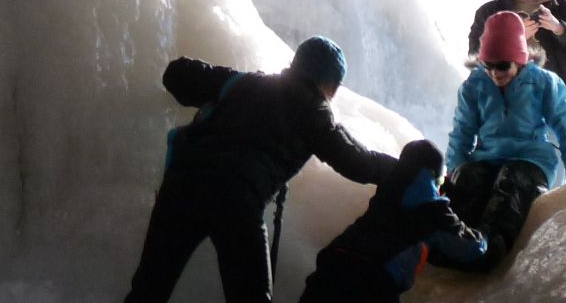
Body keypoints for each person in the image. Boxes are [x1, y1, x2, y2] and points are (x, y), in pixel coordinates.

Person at [124, 36, 398, 303]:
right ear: (331, 85)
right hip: (236, 201)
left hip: (182, 186)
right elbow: (357, 163)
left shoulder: (244, 82)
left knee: (149, 289)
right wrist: (402, 169)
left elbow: (177, 74)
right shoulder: (316, 114)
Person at [442, 11, 566, 271]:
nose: (494, 73)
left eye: (502, 66)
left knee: (512, 181)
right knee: (471, 177)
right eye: (488, 65)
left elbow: (565, 123)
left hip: (531, 159)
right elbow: (463, 131)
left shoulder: (543, 83)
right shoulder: (475, 86)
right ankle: (453, 238)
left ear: (519, 59)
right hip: (487, 156)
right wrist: (455, 169)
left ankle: (492, 243)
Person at [298, 139, 486, 302]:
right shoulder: (433, 208)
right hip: (370, 285)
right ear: (432, 176)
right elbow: (472, 248)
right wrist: (490, 232)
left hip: (329, 268)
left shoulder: (388, 183)